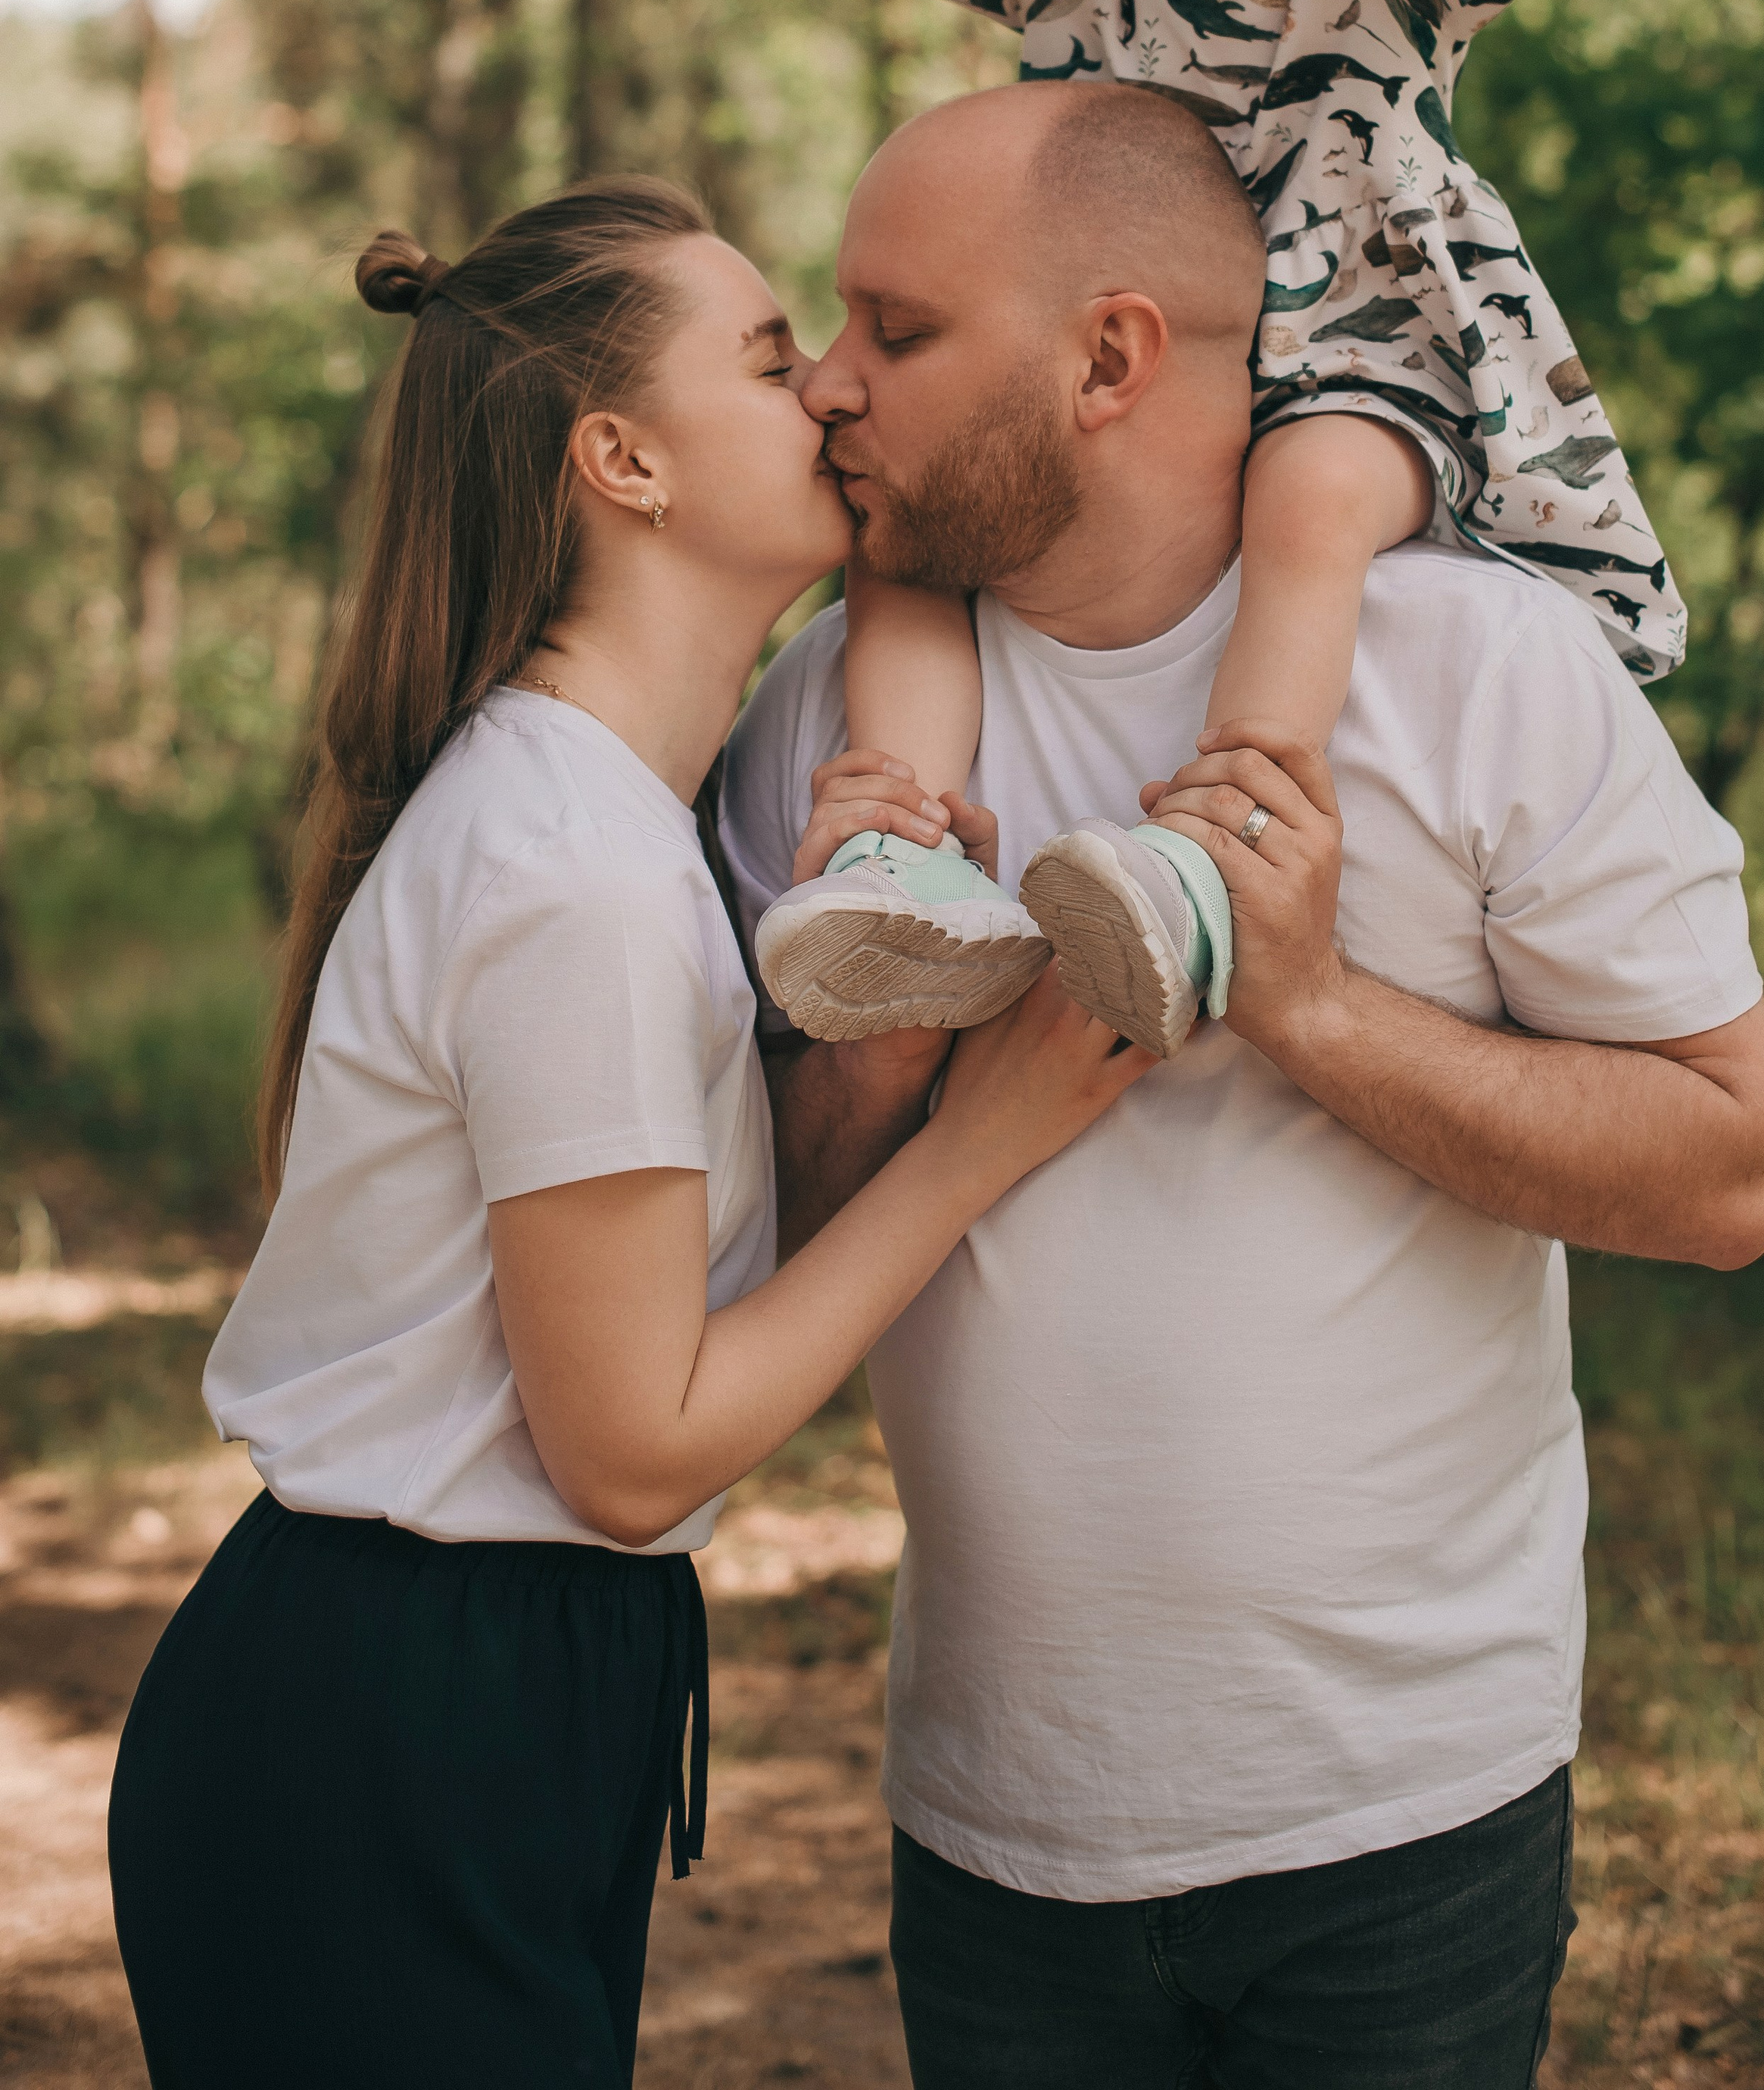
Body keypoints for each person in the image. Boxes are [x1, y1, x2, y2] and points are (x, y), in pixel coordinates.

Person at [721, 85, 1764, 2089]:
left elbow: (1734, 1170)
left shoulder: (1477, 668)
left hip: (1407, 1812)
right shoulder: (827, 729)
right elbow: (743, 1268)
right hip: (991, 1816)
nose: (831, 389)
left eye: (900, 328)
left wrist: (1308, 1003)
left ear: (1112, 353)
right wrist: (869, 1043)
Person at [107, 177, 1150, 2090]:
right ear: (622, 460)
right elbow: (635, 1451)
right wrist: (983, 1140)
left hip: (469, 1704)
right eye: (771, 357)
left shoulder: (621, 823)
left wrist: (873, 1044)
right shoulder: (568, 868)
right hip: (383, 1740)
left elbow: (686, 1313)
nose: (833, 391)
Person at [754, 0, 1685, 1061]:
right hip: (1111, 394)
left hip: (1354, 354)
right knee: (915, 533)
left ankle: (1213, 852)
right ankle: (905, 854)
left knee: (1309, 503)